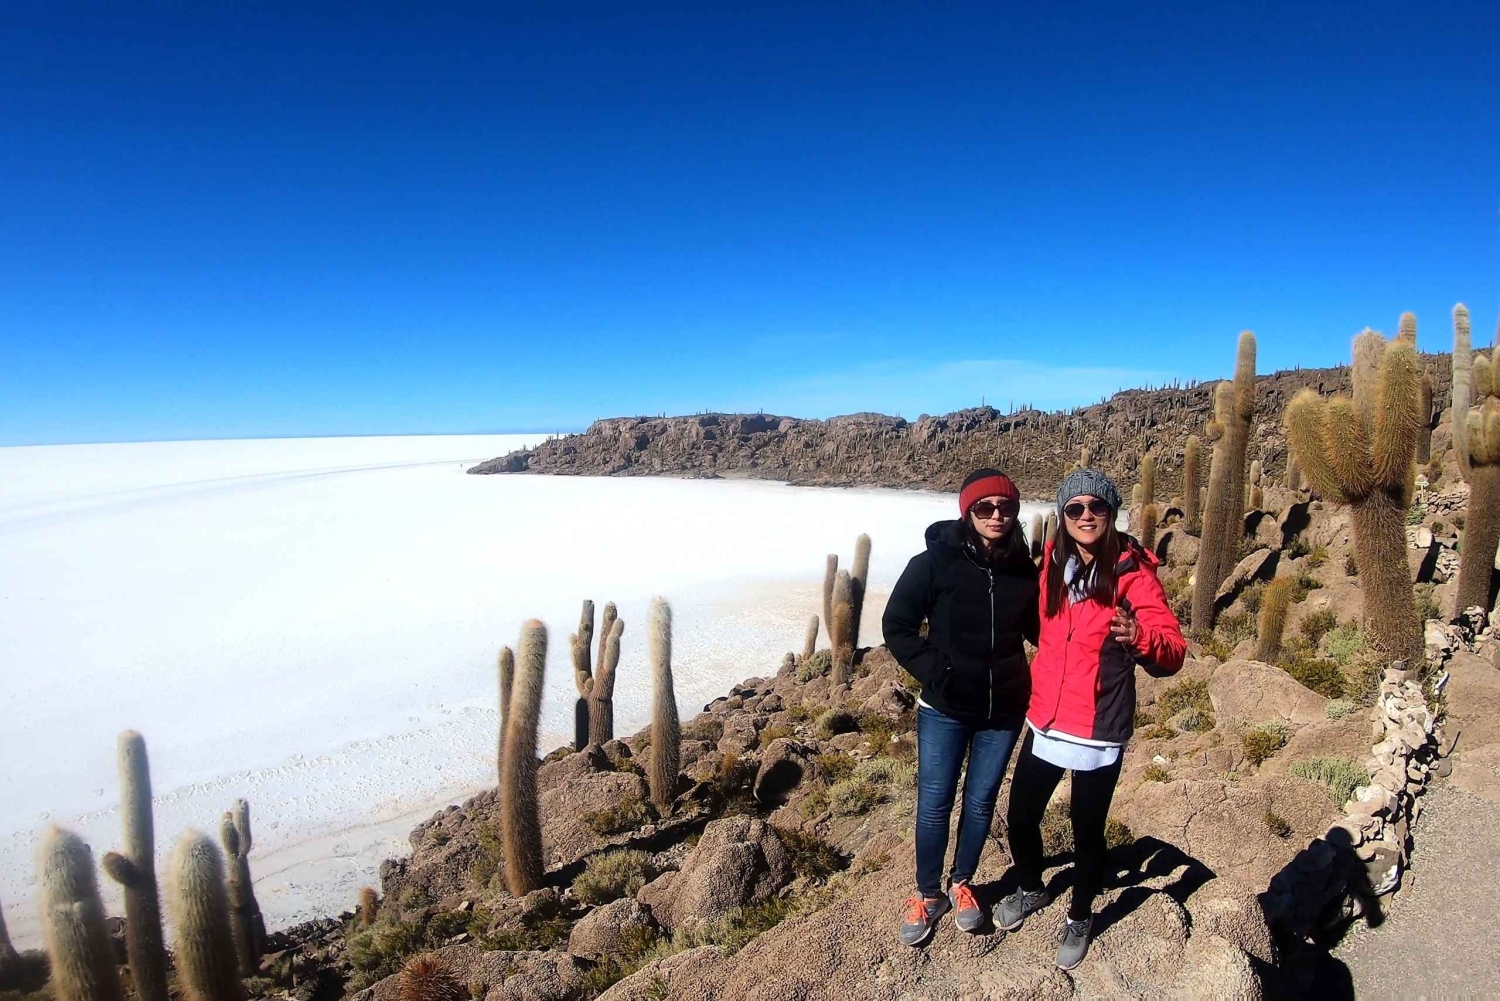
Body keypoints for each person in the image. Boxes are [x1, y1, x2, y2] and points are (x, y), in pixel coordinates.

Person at [996, 468, 1185, 970]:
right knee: (1020, 817)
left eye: (1095, 507)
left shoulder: (1133, 574)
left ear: (1111, 512)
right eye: (1074, 508)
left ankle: (1080, 915)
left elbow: (1173, 653)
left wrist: (1140, 636)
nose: (1085, 516)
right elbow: (1045, 630)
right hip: (1048, 718)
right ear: (1062, 516)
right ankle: (1034, 885)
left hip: (1099, 726)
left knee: (1086, 830)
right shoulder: (1052, 566)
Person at [883, 468, 1040, 946]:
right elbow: (898, 624)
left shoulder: (1023, 569)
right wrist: (936, 671)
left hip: (1004, 709)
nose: (997, 516)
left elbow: (1042, 631)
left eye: (1006, 507)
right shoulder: (934, 562)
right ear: (967, 511)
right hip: (945, 708)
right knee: (934, 805)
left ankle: (963, 881)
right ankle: (929, 894)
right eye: (985, 507)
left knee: (980, 801)